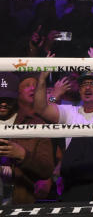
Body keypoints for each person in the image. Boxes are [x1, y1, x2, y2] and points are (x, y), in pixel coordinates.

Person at [0, 73, 54, 205]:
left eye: (8, 98)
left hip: (20, 199)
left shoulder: (35, 124)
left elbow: (46, 169)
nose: (3, 103)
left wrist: (23, 155)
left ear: (16, 96)